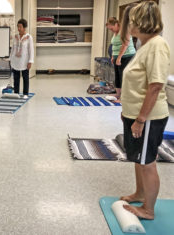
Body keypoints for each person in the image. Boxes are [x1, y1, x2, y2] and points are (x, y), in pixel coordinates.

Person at [120, 1, 170, 220]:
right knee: (138, 158)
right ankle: (140, 193)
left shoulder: (157, 45)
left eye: (132, 21)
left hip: (148, 117)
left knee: (147, 161)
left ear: (141, 22)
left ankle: (148, 210)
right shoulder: (144, 45)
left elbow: (156, 85)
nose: (130, 25)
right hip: (134, 115)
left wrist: (140, 119)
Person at [106, 17, 136, 102]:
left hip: (127, 56)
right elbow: (115, 45)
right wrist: (113, 56)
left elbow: (125, 45)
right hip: (117, 57)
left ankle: (124, 98)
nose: (111, 30)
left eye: (111, 28)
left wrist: (119, 58)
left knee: (124, 77)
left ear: (116, 24)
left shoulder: (124, 31)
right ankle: (118, 94)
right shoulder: (115, 32)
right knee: (118, 76)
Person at [10, 19, 34, 99]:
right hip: (15, 60)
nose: (18, 28)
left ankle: (25, 93)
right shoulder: (15, 37)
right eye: (18, 27)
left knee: (25, 77)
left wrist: (30, 61)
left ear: (24, 27)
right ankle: (16, 92)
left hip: (24, 60)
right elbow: (13, 48)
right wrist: (10, 58)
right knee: (16, 78)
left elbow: (31, 50)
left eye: (20, 27)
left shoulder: (28, 37)